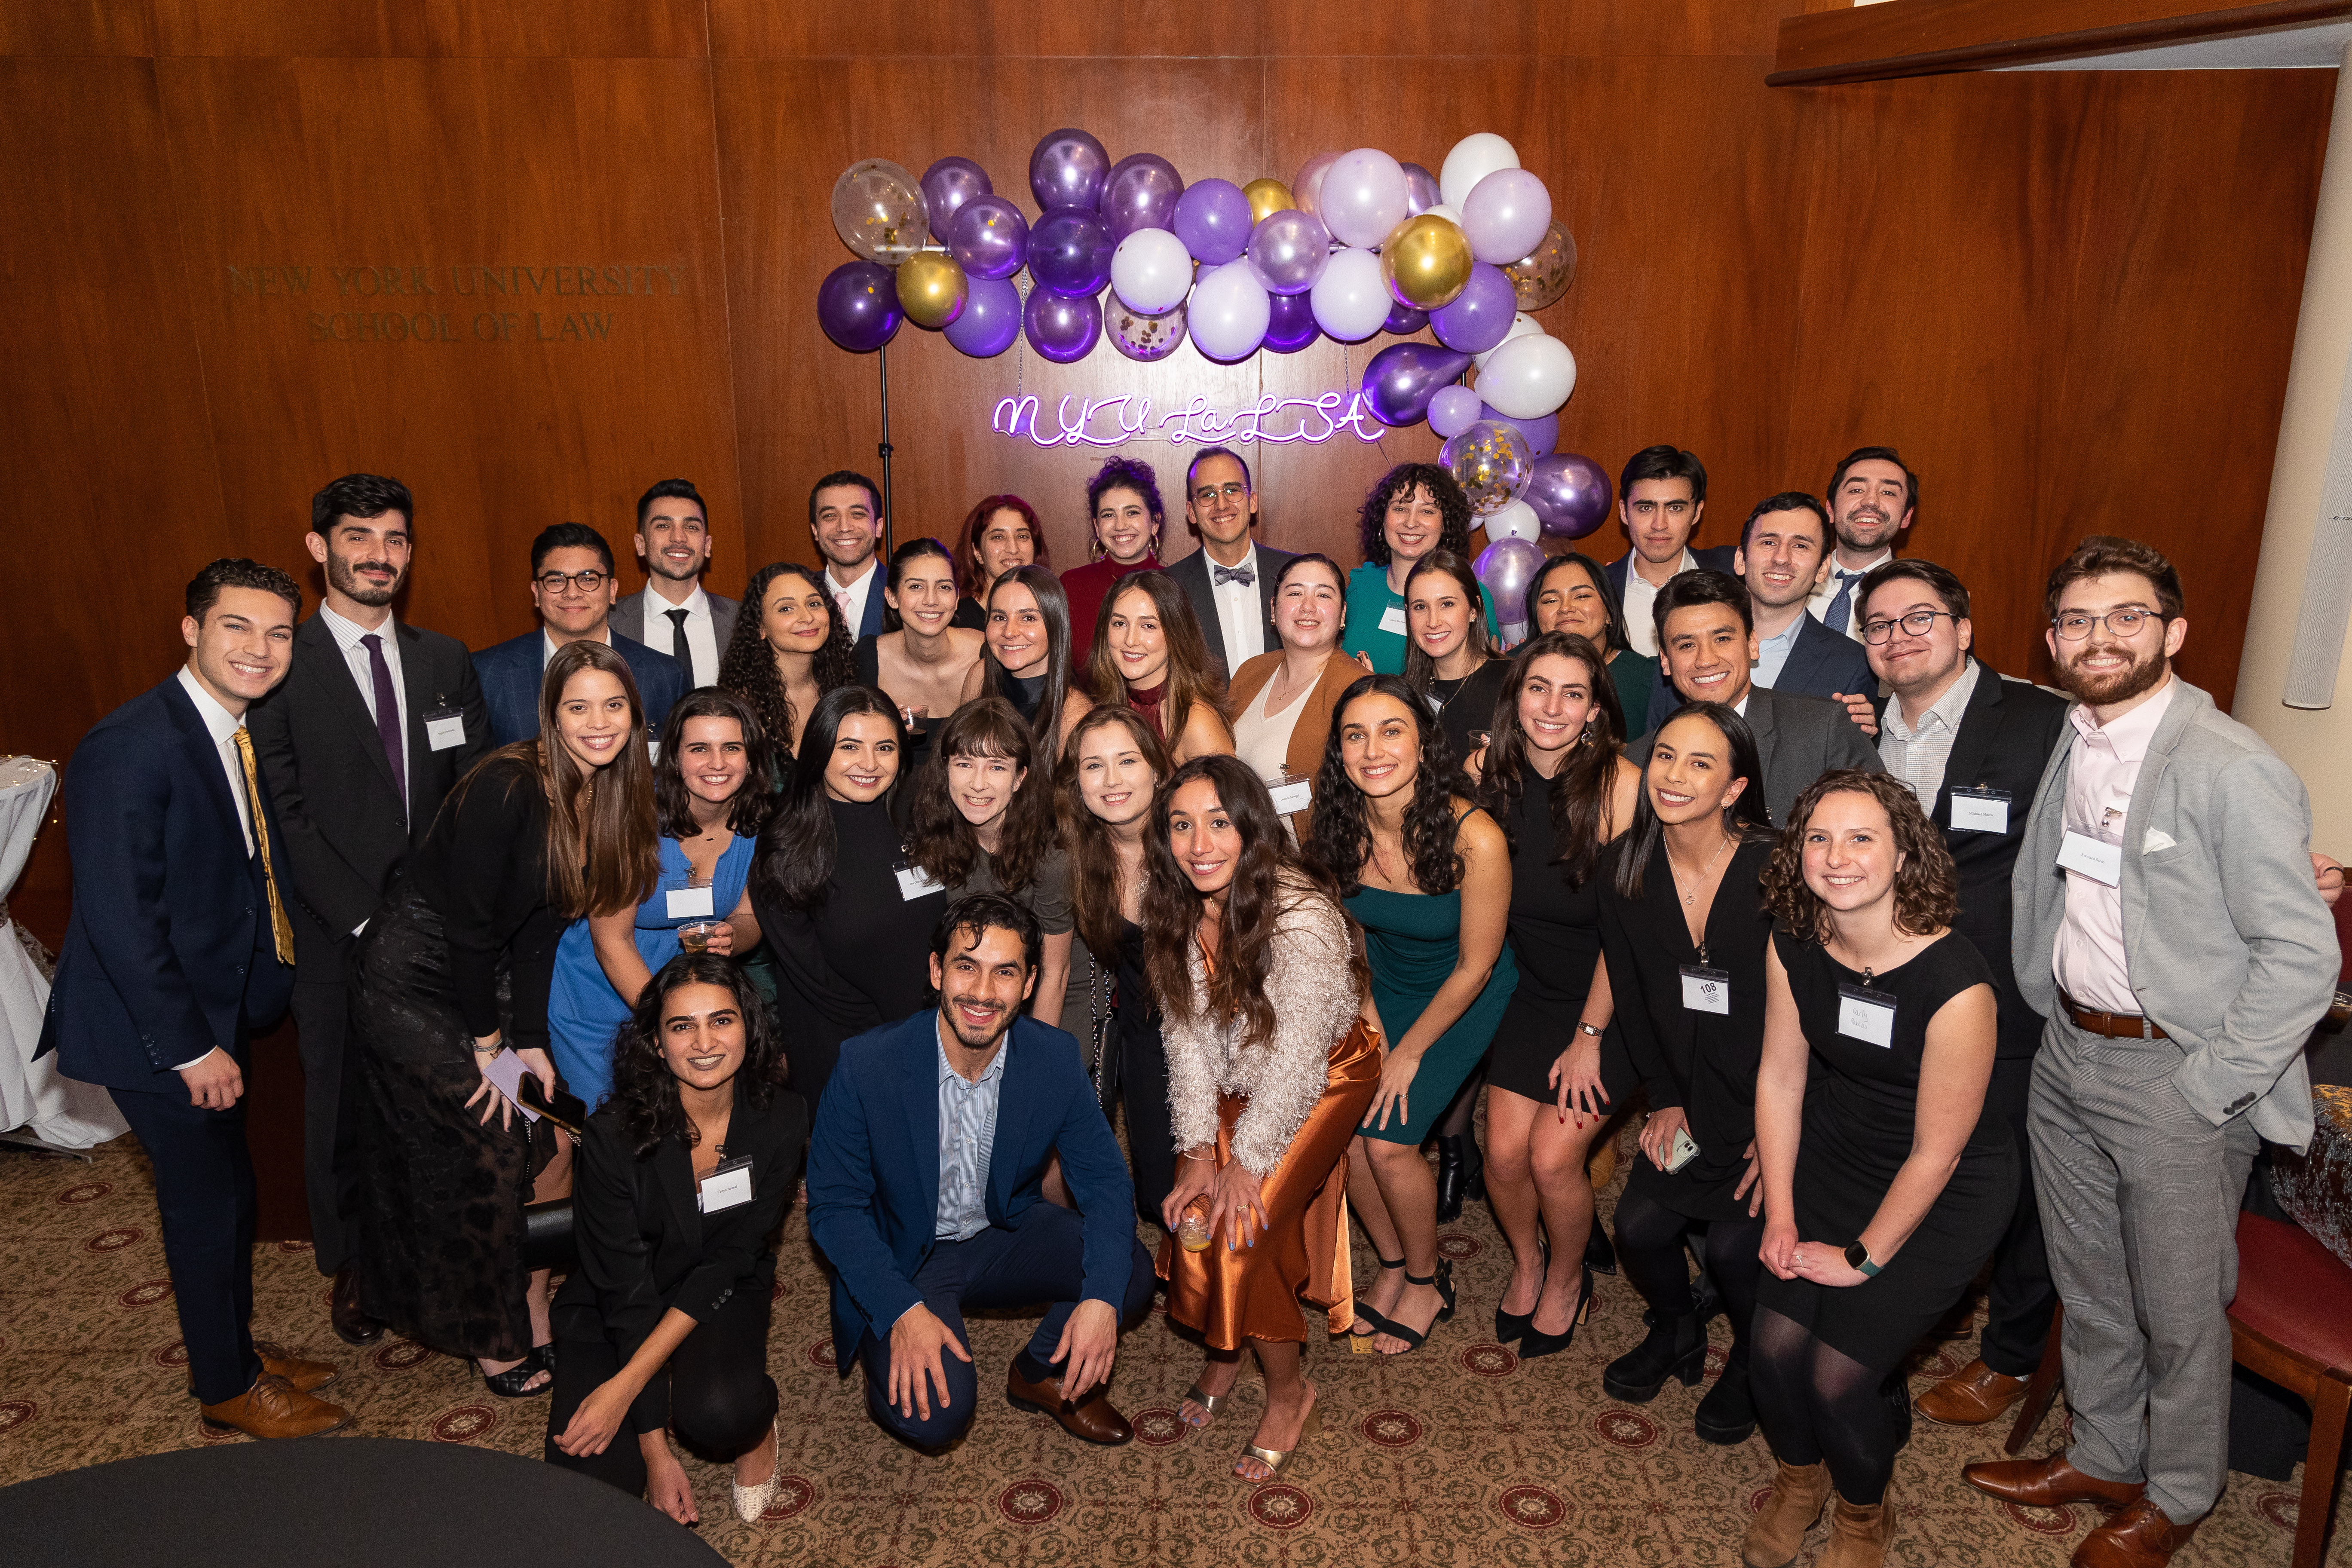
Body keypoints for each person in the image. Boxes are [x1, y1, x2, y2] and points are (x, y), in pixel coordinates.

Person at [1963, 537, 2339, 1568]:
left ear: (2171, 632)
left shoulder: (2227, 765)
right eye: (2077, 620)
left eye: (2126, 616)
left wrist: (2208, 1086)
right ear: (2050, 641)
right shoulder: (2070, 738)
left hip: (2173, 1075)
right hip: (2068, 1054)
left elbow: (2300, 957)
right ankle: (2100, 1449)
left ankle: (2174, 1494)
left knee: (2177, 1310)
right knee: (2087, 1283)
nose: (2099, 637)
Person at [38, 558, 349, 1439]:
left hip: (210, 1010)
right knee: (206, 1205)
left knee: (232, 1194)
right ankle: (224, 1388)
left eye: (278, 633)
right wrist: (187, 1048)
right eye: (237, 628)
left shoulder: (228, 729)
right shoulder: (133, 744)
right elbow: (119, 918)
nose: (259, 649)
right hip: (157, 1030)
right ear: (192, 630)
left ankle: (238, 1351)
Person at [352, 638, 660, 1399]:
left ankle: (520, 1301)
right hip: (413, 976)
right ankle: (491, 1337)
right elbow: (468, 928)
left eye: (613, 705)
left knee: (541, 1122)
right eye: (578, 706)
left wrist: (528, 1039)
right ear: (550, 714)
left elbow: (537, 934)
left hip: (486, 975)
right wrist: (493, 1046)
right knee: (491, 1136)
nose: (598, 722)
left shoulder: (611, 793)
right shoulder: (508, 784)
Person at [1743, 771, 2012, 1568]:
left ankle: (1864, 1514)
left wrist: (1863, 1256)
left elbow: (1939, 1150)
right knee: (1772, 1348)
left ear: (1902, 856)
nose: (1837, 857)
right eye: (1819, 837)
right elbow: (1780, 1078)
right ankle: (1800, 1478)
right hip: (1837, 1148)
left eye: (1862, 838)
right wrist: (1783, 1214)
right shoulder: (1791, 936)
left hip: (1944, 1188)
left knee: (1834, 1376)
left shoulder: (1954, 982)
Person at [248, 474, 490, 1347]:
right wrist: (363, 920)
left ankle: (442, 1258)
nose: (377, 554)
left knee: (445, 1103)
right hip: (335, 933)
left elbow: (468, 792)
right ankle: (353, 1268)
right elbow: (286, 814)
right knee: (345, 1108)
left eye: (393, 538)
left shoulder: (443, 660)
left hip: (437, 931)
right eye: (358, 536)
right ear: (319, 549)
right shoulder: (281, 666)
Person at [805, 894, 1158, 1451]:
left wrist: (1098, 1301)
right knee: (934, 1420)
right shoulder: (867, 1066)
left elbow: (1108, 1183)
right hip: (907, 1256)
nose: (982, 993)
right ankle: (885, 1365)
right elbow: (833, 1207)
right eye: (966, 966)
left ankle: (1038, 1372)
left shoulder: (1053, 1059)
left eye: (1005, 973)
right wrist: (900, 1310)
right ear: (936, 971)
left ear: (1029, 983)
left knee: (1129, 1275)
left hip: (1002, 1232)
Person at [1850, 560, 2070, 1430]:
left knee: (2015, 1182)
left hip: (2001, 998)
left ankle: (2010, 1355)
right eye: (1880, 625)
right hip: (1882, 993)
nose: (1899, 637)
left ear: (1965, 628)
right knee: (1896, 1158)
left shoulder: (2046, 722)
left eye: (1920, 619)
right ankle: (1886, 1321)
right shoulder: (1858, 737)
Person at [1150, 757, 1382, 1479]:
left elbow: (1297, 1060)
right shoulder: (1177, 901)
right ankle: (1226, 1350)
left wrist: (1245, 1162)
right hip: (1237, 1069)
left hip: (1324, 1074)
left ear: (1252, 829)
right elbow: (1183, 1033)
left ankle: (1289, 1391)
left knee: (1241, 1234)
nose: (1199, 843)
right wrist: (1195, 1148)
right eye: (1181, 825)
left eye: (1219, 822)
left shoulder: (1302, 912)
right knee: (1194, 1214)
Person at [545, 954, 808, 1525]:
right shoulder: (612, 1137)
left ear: (749, 1027)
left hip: (720, 1283)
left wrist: (630, 1383)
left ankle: (760, 1429)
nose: (704, 1041)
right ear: (658, 1045)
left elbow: (735, 1255)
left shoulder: (783, 1120)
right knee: (588, 1493)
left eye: (722, 1020)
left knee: (720, 1414)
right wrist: (653, 1448)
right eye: (682, 1026)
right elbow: (625, 1293)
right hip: (616, 1300)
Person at [1304, 674, 1517, 1354]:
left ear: (1424, 744)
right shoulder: (1336, 826)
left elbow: (1476, 965)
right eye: (1355, 734)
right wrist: (1371, 1029)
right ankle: (1393, 1263)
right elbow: (1355, 940)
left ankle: (1429, 1280)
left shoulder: (1474, 834)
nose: (1374, 749)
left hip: (1467, 993)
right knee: (1347, 1134)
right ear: (1339, 751)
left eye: (1392, 730)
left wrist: (1408, 1050)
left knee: (1391, 1144)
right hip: (1385, 986)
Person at [1593, 702, 1776, 1441]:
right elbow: (1632, 994)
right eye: (1665, 755)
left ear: (1734, 787)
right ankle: (1678, 1329)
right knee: (1637, 1228)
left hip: (1769, 1099)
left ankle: (1752, 1360)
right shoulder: (1624, 865)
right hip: (1686, 1093)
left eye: (1700, 763)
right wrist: (1661, 1099)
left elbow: (1810, 1014)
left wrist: (1779, 1132)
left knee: (1736, 1250)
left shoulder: (1775, 865)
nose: (1673, 775)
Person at [1466, 633, 1641, 1365]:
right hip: (1535, 989)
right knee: (1501, 1151)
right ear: (1515, 697)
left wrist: (1590, 1035)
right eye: (1538, 687)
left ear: (1596, 711)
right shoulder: (1491, 780)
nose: (1553, 706)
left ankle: (1568, 1277)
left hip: (1616, 998)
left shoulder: (1621, 789)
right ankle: (1529, 1262)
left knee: (1549, 1156)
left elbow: (1628, 937)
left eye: (1574, 693)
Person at [547, 690, 769, 1113]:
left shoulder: (760, 823)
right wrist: (667, 1020)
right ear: (674, 756)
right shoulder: (633, 817)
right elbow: (611, 941)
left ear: (752, 756)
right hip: (600, 993)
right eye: (699, 749)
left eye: (732, 748)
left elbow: (747, 915)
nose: (717, 764)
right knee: (610, 1125)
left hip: (690, 1000)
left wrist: (733, 937)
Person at [747, 686, 936, 1107]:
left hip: (935, 1035)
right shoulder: (785, 845)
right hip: (847, 1052)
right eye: (849, 746)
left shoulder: (918, 817)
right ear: (819, 750)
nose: (869, 764)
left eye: (885, 747)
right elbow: (816, 980)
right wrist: (896, 1041)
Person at [1631, 570, 1883, 828]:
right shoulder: (1639, 760)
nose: (1706, 660)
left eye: (1722, 639)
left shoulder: (1826, 731)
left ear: (1752, 644)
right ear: (1665, 660)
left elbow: (1883, 833)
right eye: (1686, 645)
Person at [1060, 705, 1179, 1217]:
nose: (1111, 780)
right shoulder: (1077, 857)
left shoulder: (1193, 840)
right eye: (1093, 766)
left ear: (1156, 767)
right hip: (1143, 1034)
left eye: (1127, 761)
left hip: (1220, 1034)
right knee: (1159, 1198)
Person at [904, 697, 1078, 1029]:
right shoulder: (935, 832)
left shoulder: (1051, 857)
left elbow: (1057, 973)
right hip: (978, 994)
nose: (978, 783)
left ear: (1019, 777)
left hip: (1051, 999)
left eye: (997, 767)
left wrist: (1036, 1059)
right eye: (964, 764)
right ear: (945, 768)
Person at [472, 522, 686, 748]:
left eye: (588, 579)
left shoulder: (664, 675)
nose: (572, 593)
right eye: (556, 580)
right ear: (536, 594)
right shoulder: (486, 673)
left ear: (612, 590)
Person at [1228, 554, 1362, 837]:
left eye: (1323, 595)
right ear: (1274, 610)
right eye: (1295, 593)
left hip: (1309, 870)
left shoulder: (1358, 691)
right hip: (1240, 864)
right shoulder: (1250, 672)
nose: (1308, 607)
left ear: (1343, 615)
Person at [1341, 463, 1499, 673]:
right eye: (1400, 508)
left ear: (1446, 523)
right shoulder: (1360, 584)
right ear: (1382, 518)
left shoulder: (1471, 595)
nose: (1411, 523)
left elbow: (1486, 682)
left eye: (1427, 511)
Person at [1166, 447, 1297, 684]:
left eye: (1232, 490)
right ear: (1191, 512)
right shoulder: (1169, 587)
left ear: (1253, 501)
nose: (1222, 505)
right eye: (1207, 495)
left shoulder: (1295, 573)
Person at [1727, 493, 1874, 701]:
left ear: (1823, 569)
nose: (1781, 558)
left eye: (1800, 546)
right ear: (1741, 559)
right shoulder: (1689, 642)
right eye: (1769, 542)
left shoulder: (1852, 666)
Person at [1084, 569, 1235, 766]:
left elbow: (1231, 795)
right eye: (1120, 623)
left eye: (1148, 626)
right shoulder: (1097, 705)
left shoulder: (1195, 721)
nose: (1130, 640)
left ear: (1176, 633)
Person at [856, 538, 986, 765]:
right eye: (916, 586)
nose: (931, 600)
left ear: (956, 599)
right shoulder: (869, 659)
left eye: (943, 587)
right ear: (892, 597)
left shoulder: (986, 654)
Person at [1601, 445, 1737, 659]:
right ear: (1624, 512)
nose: (1659, 525)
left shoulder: (1735, 571)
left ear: (1697, 512)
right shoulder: (1597, 588)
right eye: (1646, 508)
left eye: (1675, 508)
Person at [718, 560, 858, 766]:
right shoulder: (737, 707)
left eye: (813, 604)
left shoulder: (846, 692)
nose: (807, 617)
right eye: (786, 609)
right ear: (760, 628)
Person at [959, 564, 1093, 771]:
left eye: (1028, 618)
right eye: (1000, 618)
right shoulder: (980, 675)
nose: (1010, 632)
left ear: (1055, 624)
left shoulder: (1074, 713)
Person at [613, 479, 738, 689]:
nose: (679, 538)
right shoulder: (609, 623)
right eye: (663, 526)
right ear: (641, 544)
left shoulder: (744, 619)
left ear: (707, 546)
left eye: (691, 527)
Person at [1530, 550, 1659, 736]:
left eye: (1582, 596)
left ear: (1609, 612)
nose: (1565, 608)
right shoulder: (1514, 670)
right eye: (1551, 600)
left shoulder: (1650, 679)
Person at [1405, 550, 1513, 762]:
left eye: (1447, 604)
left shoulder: (1513, 682)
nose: (1433, 621)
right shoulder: (1404, 693)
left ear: (1475, 609)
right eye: (1420, 607)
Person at [1061, 456, 1169, 659]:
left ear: (1155, 522)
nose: (1120, 526)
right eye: (1108, 515)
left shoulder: (1177, 586)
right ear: (1097, 526)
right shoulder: (1071, 586)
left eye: (1132, 513)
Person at [1808, 447, 1916, 640]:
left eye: (1889, 493)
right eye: (1856, 490)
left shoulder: (1925, 601)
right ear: (1831, 510)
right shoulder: (1791, 582)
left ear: (1906, 516)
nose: (1871, 501)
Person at [810, 470, 891, 643]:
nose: (844, 527)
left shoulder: (904, 595)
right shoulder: (797, 596)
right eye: (830, 516)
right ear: (815, 531)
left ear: (878, 527)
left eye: (857, 514)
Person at [951, 493, 1050, 631]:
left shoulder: (1050, 611)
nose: (1013, 549)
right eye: (998, 537)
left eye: (1022, 536)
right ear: (977, 551)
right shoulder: (958, 621)